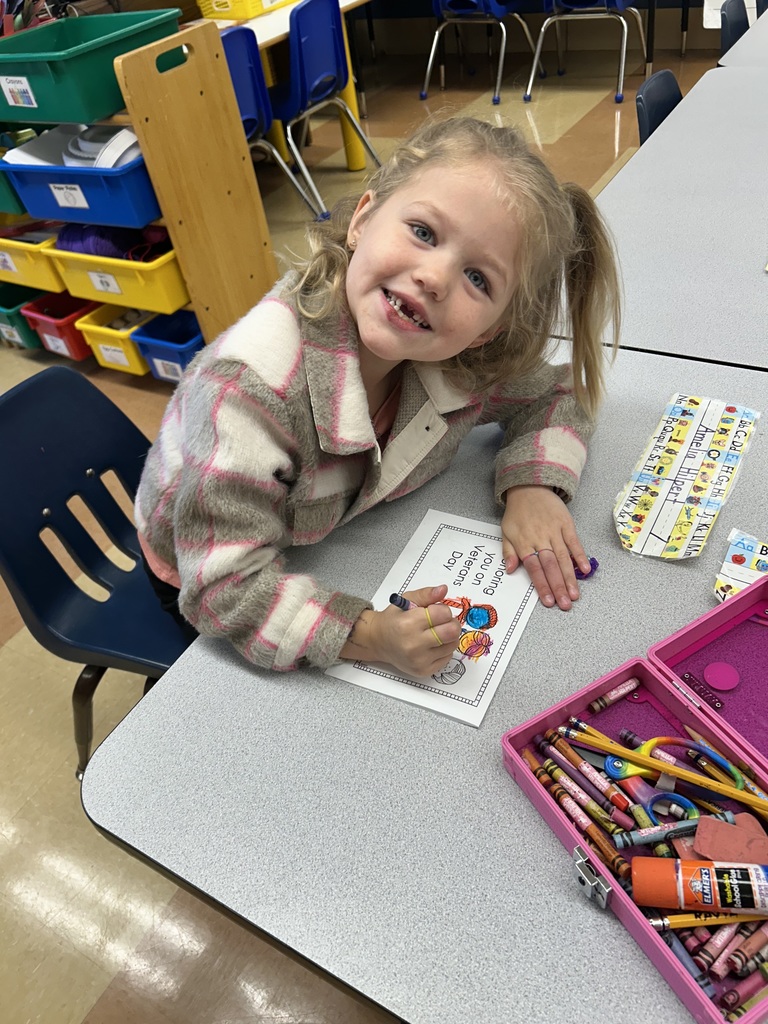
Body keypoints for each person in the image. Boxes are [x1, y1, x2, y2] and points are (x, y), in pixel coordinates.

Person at [136, 116, 620, 678]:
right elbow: (222, 587)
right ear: (363, 219)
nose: (434, 277)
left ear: (490, 329)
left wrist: (534, 485)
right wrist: (370, 635)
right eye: (423, 232)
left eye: (479, 279)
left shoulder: (462, 357)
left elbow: (561, 392)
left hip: (323, 538)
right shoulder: (251, 389)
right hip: (191, 567)